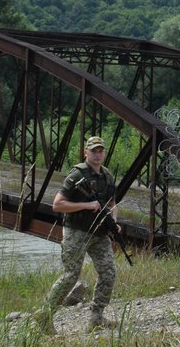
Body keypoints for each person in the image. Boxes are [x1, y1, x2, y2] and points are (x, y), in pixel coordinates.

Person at [37, 135, 122, 333]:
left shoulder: (107, 176)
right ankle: (45, 317)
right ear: (86, 153)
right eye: (93, 151)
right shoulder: (76, 176)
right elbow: (57, 204)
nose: (97, 154)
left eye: (100, 150)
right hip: (76, 232)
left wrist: (114, 223)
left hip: (99, 233)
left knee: (108, 272)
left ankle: (96, 317)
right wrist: (86, 205)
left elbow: (112, 204)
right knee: (71, 275)